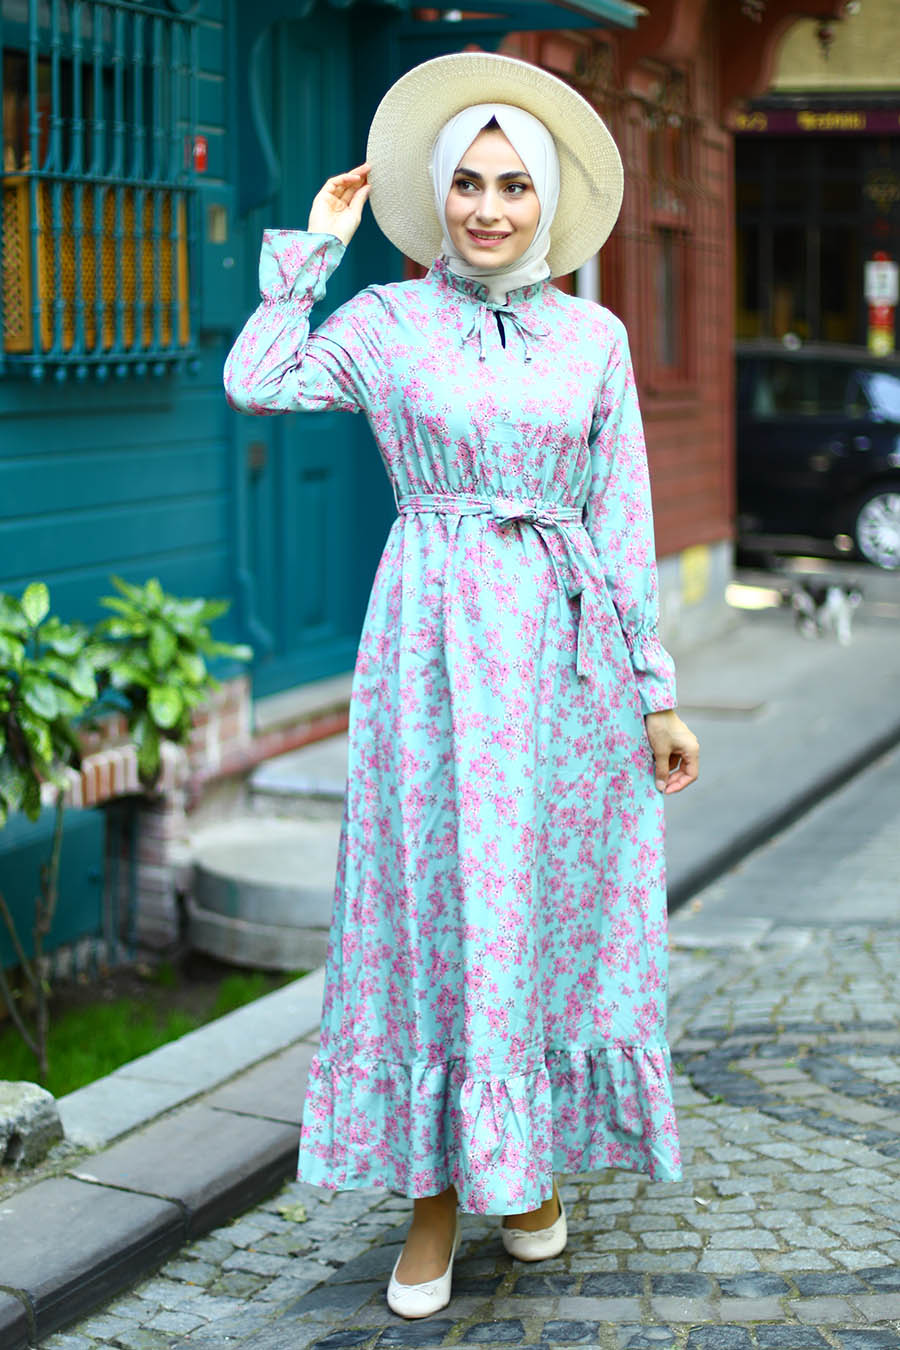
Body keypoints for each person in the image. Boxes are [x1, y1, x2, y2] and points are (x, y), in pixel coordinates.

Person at [224, 50, 699, 1321]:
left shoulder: (593, 340)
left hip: (563, 661)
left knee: (543, 904)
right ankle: (436, 1197)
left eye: (513, 187)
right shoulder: (385, 323)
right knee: (433, 912)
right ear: (440, 200)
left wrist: (655, 691)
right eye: (469, 187)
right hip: (428, 656)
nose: (490, 209)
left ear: (547, 203)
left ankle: (526, 1172)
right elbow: (257, 382)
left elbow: (623, 517)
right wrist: (313, 249)